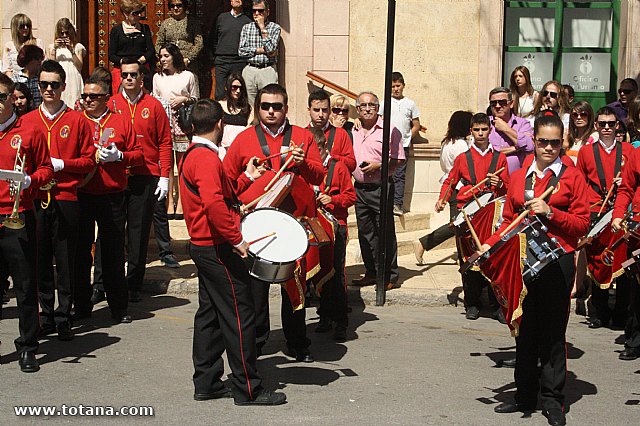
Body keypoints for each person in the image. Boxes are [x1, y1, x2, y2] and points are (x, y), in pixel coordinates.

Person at [180, 98, 286, 406]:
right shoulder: (206, 159)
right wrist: (236, 238)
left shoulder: (197, 155)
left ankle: (207, 382)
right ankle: (247, 388)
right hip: (216, 247)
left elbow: (221, 193)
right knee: (240, 315)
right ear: (219, 125)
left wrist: (246, 177)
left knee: (210, 315)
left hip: (204, 246)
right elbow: (214, 204)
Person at [486, 114, 589, 426]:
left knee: (553, 333)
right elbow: (507, 219)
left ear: (563, 143)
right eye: (543, 141)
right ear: (534, 142)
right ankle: (524, 396)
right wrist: (491, 246)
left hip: (557, 262)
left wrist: (552, 212)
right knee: (524, 330)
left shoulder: (572, 178)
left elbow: (582, 225)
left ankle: (553, 400)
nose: (548, 147)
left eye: (555, 143)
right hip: (522, 259)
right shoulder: (519, 177)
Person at [223, 83, 324, 362]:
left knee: (294, 284)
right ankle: (256, 340)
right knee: (256, 287)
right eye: (265, 106)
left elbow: (319, 177)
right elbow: (229, 181)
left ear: (286, 109)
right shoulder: (244, 139)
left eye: (276, 106)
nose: (270, 111)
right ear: (258, 109)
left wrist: (303, 163)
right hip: (256, 224)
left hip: (294, 224)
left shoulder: (303, 137)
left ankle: (297, 341)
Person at [26, 60, 94, 341]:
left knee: (65, 259)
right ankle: (46, 315)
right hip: (37, 197)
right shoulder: (28, 120)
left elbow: (89, 160)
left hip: (66, 196)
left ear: (64, 87)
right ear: (38, 86)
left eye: (55, 84)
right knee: (40, 257)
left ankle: (65, 315)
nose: (49, 89)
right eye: (44, 84)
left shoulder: (78, 120)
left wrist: (62, 164)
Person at [73, 76, 143, 323]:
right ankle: (81, 305)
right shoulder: (76, 120)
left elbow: (138, 154)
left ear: (106, 98)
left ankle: (118, 306)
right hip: (82, 194)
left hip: (112, 195)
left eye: (93, 96)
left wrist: (120, 156)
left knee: (113, 252)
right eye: (85, 96)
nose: (88, 101)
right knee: (80, 252)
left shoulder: (121, 122)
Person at [0, 72, 54, 372]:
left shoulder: (30, 131)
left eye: (1, 97)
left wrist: (30, 179)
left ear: (12, 99)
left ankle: (28, 346)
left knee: (25, 285)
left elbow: (46, 169)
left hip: (18, 214)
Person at [437, 113, 509, 321]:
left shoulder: (500, 158)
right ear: (471, 132)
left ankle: (497, 305)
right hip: (469, 214)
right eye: (476, 130)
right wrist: (442, 200)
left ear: (490, 131)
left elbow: (509, 186)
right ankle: (472, 304)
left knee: (494, 258)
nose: (480, 133)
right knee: (469, 259)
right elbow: (450, 181)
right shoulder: (462, 158)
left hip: (492, 214)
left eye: (484, 129)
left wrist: (500, 184)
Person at [112, 58, 173, 302]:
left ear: (141, 78)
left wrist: (164, 176)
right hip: (116, 176)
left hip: (145, 176)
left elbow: (164, 142)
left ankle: (133, 284)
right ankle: (104, 284)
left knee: (137, 233)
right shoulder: (112, 104)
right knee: (112, 232)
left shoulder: (154, 106)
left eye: (133, 75)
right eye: (124, 75)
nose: (128, 79)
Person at [576, 106, 633, 331]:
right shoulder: (586, 152)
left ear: (617, 125)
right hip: (596, 212)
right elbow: (579, 185)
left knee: (623, 262)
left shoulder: (628, 150)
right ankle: (599, 312)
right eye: (602, 124)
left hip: (621, 214)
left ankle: (621, 313)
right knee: (597, 261)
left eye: (611, 124)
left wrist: (624, 182)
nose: (607, 128)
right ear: (596, 126)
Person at [350, 91, 405, 290]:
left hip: (381, 187)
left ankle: (390, 275)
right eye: (363, 105)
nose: (367, 109)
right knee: (365, 232)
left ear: (378, 108)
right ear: (357, 109)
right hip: (359, 189)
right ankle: (372, 272)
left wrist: (378, 166)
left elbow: (398, 159)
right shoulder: (353, 129)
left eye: (371, 105)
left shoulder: (390, 130)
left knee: (385, 232)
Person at [310, 127, 356, 342]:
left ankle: (340, 322)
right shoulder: (309, 168)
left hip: (336, 226)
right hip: (315, 227)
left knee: (336, 273)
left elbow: (350, 196)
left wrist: (333, 200)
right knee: (318, 272)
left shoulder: (339, 169)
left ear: (324, 147)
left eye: (316, 150)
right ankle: (324, 316)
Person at [414, 110, 472, 264]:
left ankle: (463, 255)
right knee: (458, 223)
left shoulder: (447, 143)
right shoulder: (461, 145)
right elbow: (466, 166)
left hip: (451, 185)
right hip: (459, 186)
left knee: (461, 223)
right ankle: (424, 243)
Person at [153, 43, 199, 220]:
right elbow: (154, 98)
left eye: (166, 56)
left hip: (181, 122)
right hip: (163, 122)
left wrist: (183, 99)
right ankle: (168, 202)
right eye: (161, 56)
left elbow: (195, 98)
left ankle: (181, 202)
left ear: (174, 56)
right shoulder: (157, 77)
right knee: (166, 164)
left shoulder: (188, 76)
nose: (163, 59)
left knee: (181, 165)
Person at [379, 72, 421, 216]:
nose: (396, 89)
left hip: (403, 145)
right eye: (392, 86)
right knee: (384, 173)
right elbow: (379, 121)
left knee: (399, 175)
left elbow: (416, 125)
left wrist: (408, 138)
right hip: (387, 144)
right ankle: (384, 202)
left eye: (398, 86)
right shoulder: (385, 103)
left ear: (403, 85)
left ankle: (398, 204)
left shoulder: (410, 104)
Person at [612, 147, 640, 361]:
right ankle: (634, 341)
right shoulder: (637, 155)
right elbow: (626, 188)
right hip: (638, 228)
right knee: (637, 287)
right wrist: (618, 214)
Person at [155, 0, 207, 97]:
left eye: (179, 5)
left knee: (190, 93)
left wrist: (189, 58)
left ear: (184, 6)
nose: (175, 8)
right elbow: (159, 43)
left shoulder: (192, 22)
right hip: (169, 65)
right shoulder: (166, 23)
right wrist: (163, 58)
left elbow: (199, 43)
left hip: (187, 64)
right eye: (172, 6)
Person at [238, 0, 281, 107]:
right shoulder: (246, 28)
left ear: (267, 12)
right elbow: (241, 51)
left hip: (267, 70)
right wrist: (260, 50)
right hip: (250, 70)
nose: (257, 14)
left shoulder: (275, 28)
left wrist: (262, 28)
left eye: (260, 11)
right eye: (254, 11)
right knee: (250, 104)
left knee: (269, 102)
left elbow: (271, 49)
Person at [108, 0, 155, 94]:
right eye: (135, 13)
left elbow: (150, 50)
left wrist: (140, 61)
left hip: (141, 67)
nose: (139, 15)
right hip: (122, 70)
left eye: (140, 12)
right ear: (126, 13)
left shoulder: (145, 28)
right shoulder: (116, 30)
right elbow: (111, 54)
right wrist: (124, 62)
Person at [209, 0, 252, 101]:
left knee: (237, 93)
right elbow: (213, 38)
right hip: (222, 61)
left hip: (239, 62)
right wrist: (215, 56)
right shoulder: (221, 18)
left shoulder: (248, 21)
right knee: (220, 93)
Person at [487, 86, 534, 175]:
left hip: (515, 181)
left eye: (502, 102)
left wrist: (506, 129)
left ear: (511, 104)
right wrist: (515, 148)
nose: (497, 106)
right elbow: (484, 152)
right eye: (493, 103)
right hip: (489, 180)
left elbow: (530, 146)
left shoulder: (523, 124)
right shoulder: (485, 124)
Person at [307, 89, 356, 172]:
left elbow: (352, 164)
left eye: (324, 110)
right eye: (316, 110)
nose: (321, 115)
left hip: (334, 182)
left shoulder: (341, 133)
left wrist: (331, 157)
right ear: (309, 110)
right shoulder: (302, 134)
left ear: (329, 110)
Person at [47, 18, 85, 107]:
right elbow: (50, 66)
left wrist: (71, 50)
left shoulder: (77, 47)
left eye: (66, 33)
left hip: (73, 78)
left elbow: (79, 67)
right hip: (59, 78)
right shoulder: (51, 47)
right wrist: (54, 49)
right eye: (61, 33)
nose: (64, 36)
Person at [219, 73, 253, 159]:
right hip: (223, 149)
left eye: (240, 88)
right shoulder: (219, 106)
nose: (238, 91)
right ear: (227, 87)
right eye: (234, 87)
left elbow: (250, 127)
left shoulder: (247, 108)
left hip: (241, 148)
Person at [2, 13, 44, 80]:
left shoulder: (37, 42)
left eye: (28, 25)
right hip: (17, 83)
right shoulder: (9, 45)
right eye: (22, 26)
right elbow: (7, 68)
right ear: (15, 27)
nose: (25, 28)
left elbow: (43, 63)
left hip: (35, 81)